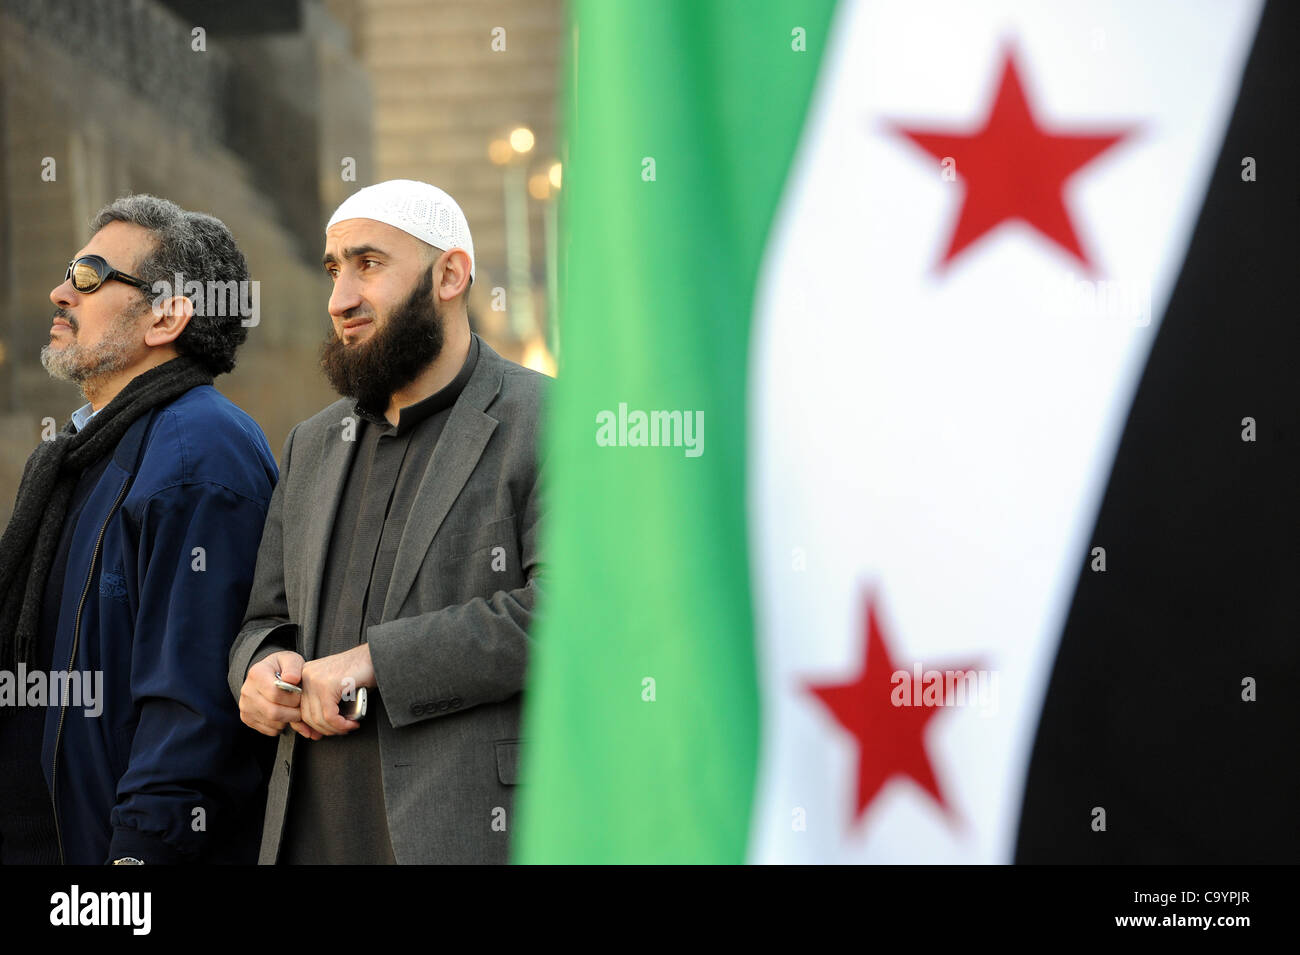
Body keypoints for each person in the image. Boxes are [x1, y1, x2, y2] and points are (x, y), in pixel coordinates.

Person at [229, 179, 548, 864]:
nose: (340, 298)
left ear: (450, 274)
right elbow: (263, 619)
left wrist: (373, 662)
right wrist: (259, 670)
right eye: (333, 268)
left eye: (368, 264)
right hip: (307, 838)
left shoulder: (544, 421)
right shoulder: (311, 444)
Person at [0, 195, 278, 864]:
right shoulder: (79, 453)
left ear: (167, 314)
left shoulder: (200, 450)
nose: (61, 291)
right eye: (70, 271)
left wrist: (139, 862)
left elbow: (194, 699)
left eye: (91, 276)